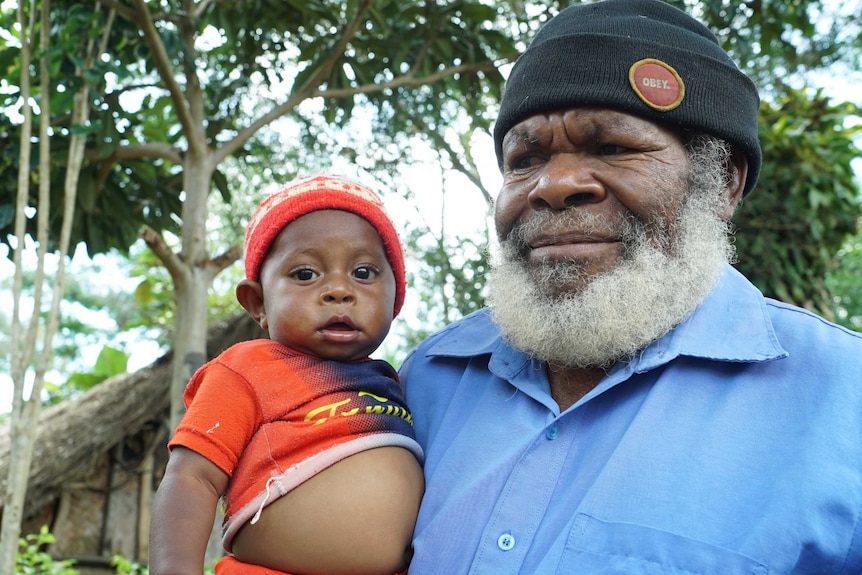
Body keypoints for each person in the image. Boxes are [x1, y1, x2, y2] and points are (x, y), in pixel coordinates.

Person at [400, 1, 862, 573]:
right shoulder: (424, 383)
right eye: (525, 158)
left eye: (614, 148)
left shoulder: (845, 399)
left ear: (724, 182)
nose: (555, 184)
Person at [150, 174, 424, 575]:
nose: (338, 290)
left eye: (363, 273)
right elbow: (192, 478)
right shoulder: (247, 368)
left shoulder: (397, 383)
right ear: (257, 302)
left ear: (395, 296)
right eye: (305, 274)